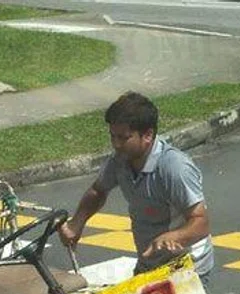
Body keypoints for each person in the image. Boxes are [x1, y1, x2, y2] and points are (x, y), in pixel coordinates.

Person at [59, 91, 214, 282]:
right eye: (113, 136)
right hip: (150, 265)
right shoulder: (120, 161)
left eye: (124, 138)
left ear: (147, 135)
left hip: (187, 269)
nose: (116, 144)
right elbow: (98, 190)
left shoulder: (174, 168)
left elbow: (201, 223)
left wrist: (174, 236)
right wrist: (77, 223)